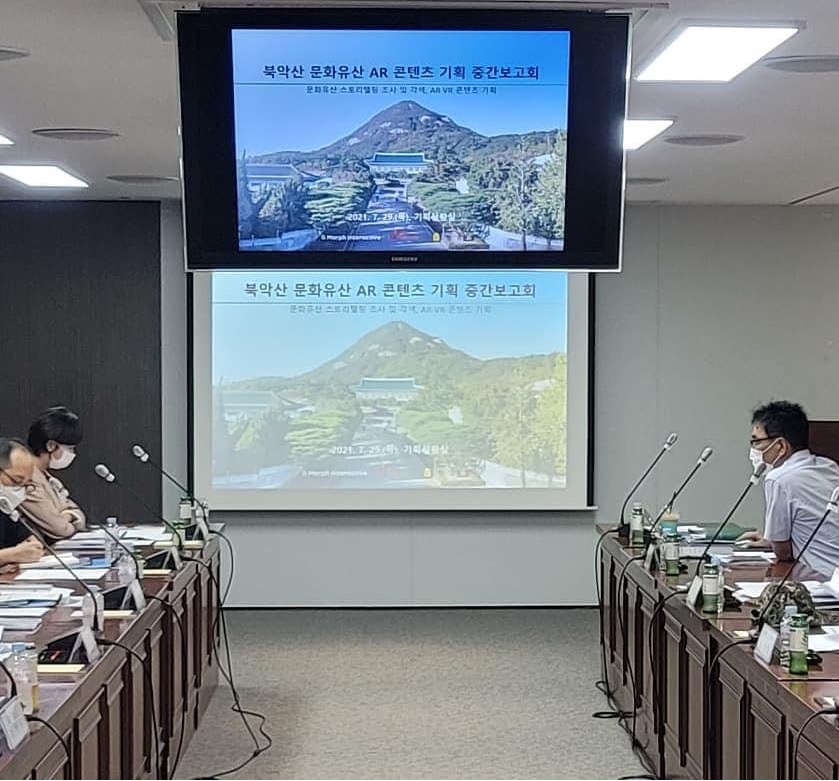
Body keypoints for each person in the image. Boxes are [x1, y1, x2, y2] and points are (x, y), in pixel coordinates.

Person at [738, 401, 839, 576]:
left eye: (757, 442)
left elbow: (782, 552)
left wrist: (775, 543)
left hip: (823, 578)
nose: (754, 450)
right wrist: (770, 540)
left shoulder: (779, 479)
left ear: (781, 446)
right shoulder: (829, 466)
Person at [20, 406, 86, 540]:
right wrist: (68, 516)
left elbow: (78, 513)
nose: (73, 453)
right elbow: (59, 529)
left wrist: (67, 515)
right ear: (50, 445)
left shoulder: (48, 478)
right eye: (70, 448)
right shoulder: (25, 478)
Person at [0, 438, 46, 567]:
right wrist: (11, 555)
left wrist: (33, 546)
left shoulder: (5, 507)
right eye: (16, 481)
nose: (19, 489)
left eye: (26, 485)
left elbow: (27, 539)